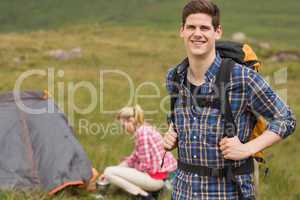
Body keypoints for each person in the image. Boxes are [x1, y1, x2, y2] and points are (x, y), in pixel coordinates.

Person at [163, 0, 296, 199]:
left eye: (204, 28)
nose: (197, 33)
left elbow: (286, 119)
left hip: (228, 193)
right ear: (182, 31)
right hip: (183, 193)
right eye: (191, 27)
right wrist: (172, 132)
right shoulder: (174, 76)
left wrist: (247, 148)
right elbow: (181, 117)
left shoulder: (242, 77)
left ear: (217, 32)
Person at [100, 105, 177, 200]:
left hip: (156, 179)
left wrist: (129, 168)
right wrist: (119, 168)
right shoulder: (145, 128)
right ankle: (149, 193)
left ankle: (143, 195)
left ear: (131, 120)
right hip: (161, 176)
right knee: (111, 171)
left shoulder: (142, 134)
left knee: (109, 172)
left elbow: (146, 166)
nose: (124, 129)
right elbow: (133, 158)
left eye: (124, 125)